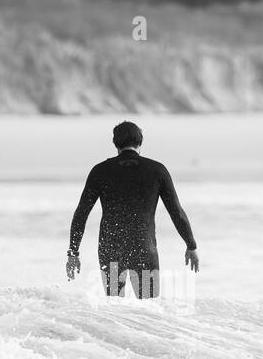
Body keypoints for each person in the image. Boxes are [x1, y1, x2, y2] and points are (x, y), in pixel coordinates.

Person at [65, 122, 199, 299]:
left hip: (111, 247)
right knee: (149, 308)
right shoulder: (157, 170)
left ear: (115, 142)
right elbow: (177, 212)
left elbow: (81, 214)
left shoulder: (100, 171)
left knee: (115, 305)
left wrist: (73, 253)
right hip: (143, 247)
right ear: (140, 142)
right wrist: (191, 245)